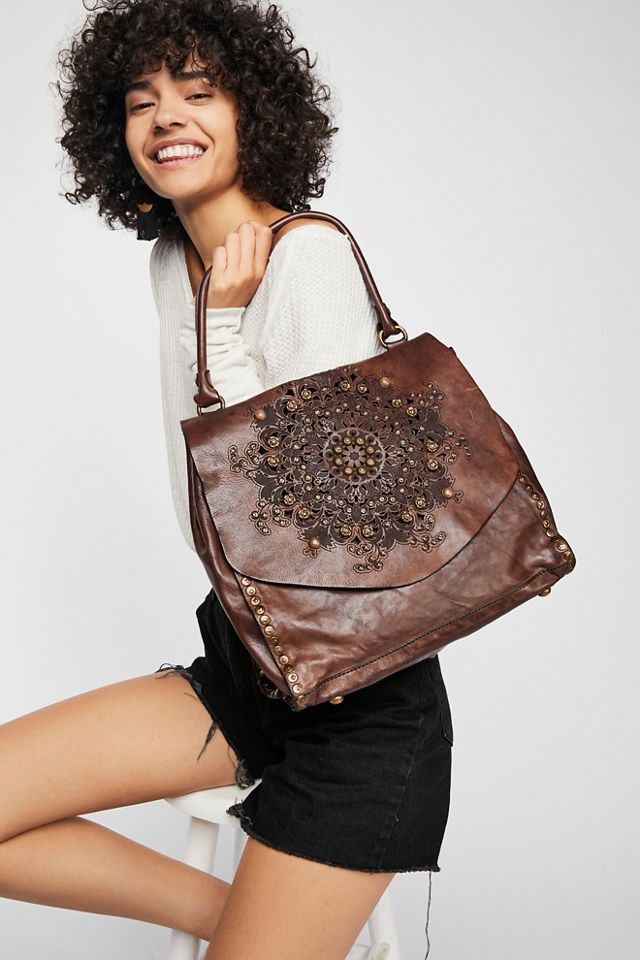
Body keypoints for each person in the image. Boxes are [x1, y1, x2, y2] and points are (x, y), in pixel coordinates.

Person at [0, 2, 454, 958]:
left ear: (256, 113)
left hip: (361, 707)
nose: (166, 116)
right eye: (142, 102)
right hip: (247, 669)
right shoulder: (174, 258)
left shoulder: (308, 257)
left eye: (199, 93)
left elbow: (322, 531)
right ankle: (240, 922)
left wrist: (227, 331)